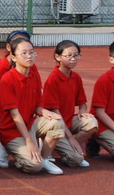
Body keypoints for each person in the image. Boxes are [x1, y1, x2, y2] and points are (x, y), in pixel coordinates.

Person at [0, 36, 66, 175]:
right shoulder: (7, 79)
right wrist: (29, 141)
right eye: (24, 53)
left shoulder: (34, 75)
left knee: (57, 122)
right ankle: (7, 147)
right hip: (11, 130)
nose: (29, 56)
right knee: (34, 166)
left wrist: (44, 111)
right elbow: (15, 114)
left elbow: (37, 106)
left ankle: (44, 158)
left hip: (30, 124)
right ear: (13, 57)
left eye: (32, 52)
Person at [41, 40, 97, 168]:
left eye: (76, 55)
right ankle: (60, 148)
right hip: (57, 124)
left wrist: (82, 111)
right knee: (76, 159)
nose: (73, 59)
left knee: (92, 122)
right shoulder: (53, 79)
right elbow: (55, 112)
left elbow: (82, 103)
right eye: (69, 56)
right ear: (58, 57)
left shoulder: (76, 77)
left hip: (69, 122)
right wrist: (70, 137)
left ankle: (70, 147)